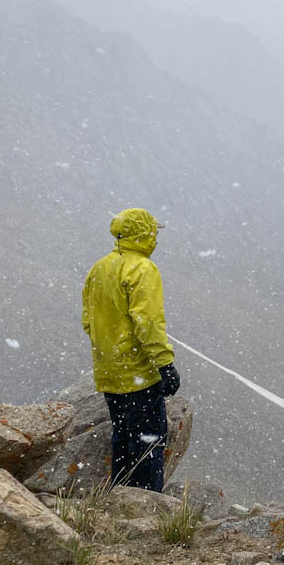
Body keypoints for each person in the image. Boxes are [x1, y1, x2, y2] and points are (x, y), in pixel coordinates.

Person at [82, 208, 180, 492]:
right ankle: (144, 507)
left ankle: (117, 500)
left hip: (109, 373)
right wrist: (165, 365)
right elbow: (148, 323)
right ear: (144, 233)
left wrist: (110, 352)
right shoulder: (142, 269)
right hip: (139, 375)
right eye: (154, 232)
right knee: (148, 443)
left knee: (123, 439)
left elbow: (88, 322)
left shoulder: (99, 268)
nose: (156, 238)